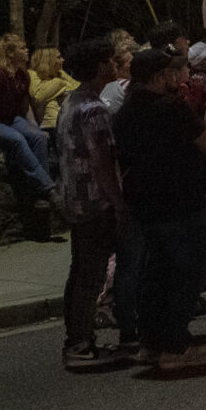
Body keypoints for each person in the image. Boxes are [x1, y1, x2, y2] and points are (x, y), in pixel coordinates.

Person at [110, 48, 206, 369]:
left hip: (144, 202)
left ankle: (151, 342)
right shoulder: (171, 106)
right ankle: (175, 345)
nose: (178, 78)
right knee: (187, 272)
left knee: (155, 273)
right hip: (179, 200)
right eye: (172, 73)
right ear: (160, 77)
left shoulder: (125, 112)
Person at [56, 39, 126, 368]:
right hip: (94, 201)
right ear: (99, 66)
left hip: (74, 198)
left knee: (80, 272)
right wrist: (118, 201)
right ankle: (80, 344)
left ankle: (78, 338)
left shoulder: (71, 101)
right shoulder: (94, 109)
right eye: (110, 61)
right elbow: (101, 161)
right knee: (90, 275)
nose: (114, 65)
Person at [0, 33, 53, 197]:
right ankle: (46, 185)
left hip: (11, 119)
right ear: (10, 53)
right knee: (17, 139)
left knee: (39, 137)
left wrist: (35, 128)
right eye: (22, 48)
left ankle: (39, 186)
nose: (26, 51)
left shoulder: (22, 75)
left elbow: (26, 106)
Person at [28, 46, 78, 151]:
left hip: (68, 123)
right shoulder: (32, 74)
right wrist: (61, 83)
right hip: (51, 126)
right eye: (58, 57)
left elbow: (79, 89)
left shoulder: (60, 74)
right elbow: (39, 96)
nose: (63, 60)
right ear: (48, 60)